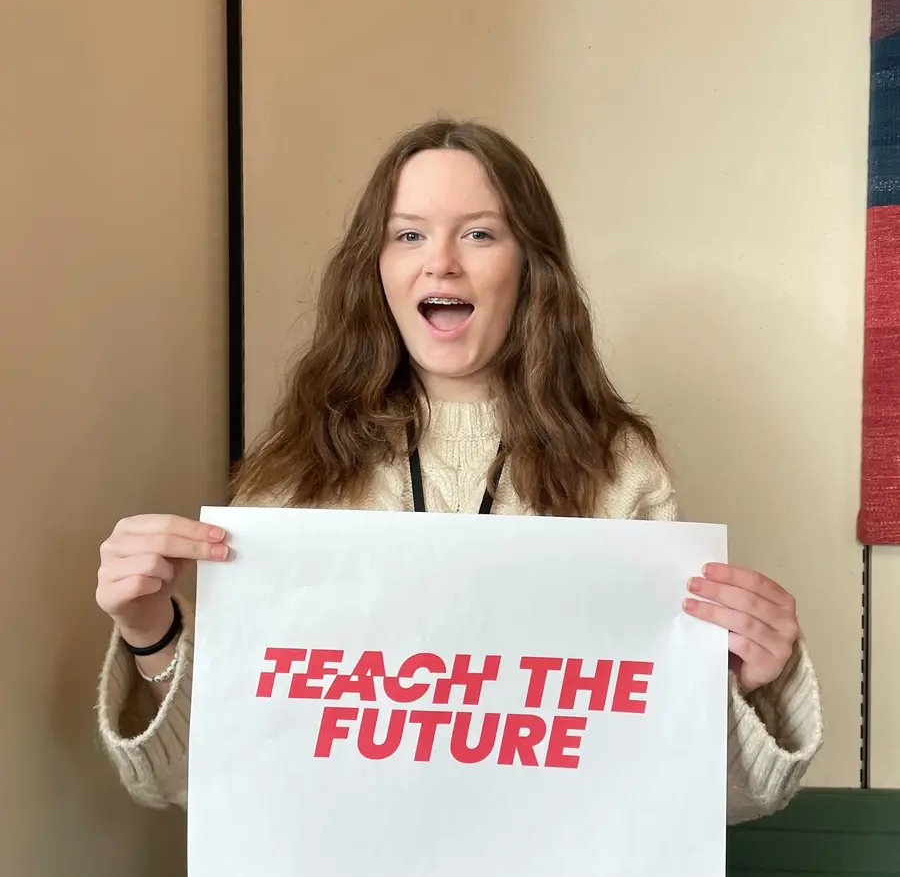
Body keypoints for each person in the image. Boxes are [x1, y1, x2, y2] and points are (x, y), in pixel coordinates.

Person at [95, 118, 823, 821]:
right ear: (377, 270)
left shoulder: (618, 470)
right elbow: (196, 788)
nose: (440, 261)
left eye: (479, 233)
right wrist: (150, 633)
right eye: (408, 235)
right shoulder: (297, 468)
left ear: (529, 268)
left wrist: (755, 682)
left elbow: (697, 802)